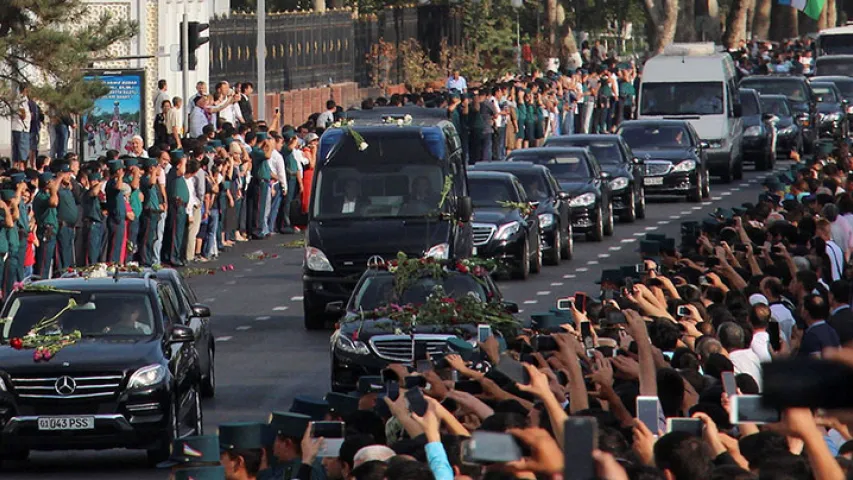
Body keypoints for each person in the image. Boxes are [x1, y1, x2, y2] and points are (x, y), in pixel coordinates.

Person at [33, 171, 59, 278]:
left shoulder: (48, 194)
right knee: (43, 263)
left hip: (51, 231)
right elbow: (53, 203)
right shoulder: (41, 196)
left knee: (48, 262)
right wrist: (53, 190)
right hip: (45, 231)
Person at [55, 163, 78, 270]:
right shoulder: (57, 186)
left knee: (69, 254)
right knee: (63, 253)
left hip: (70, 226)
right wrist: (59, 178)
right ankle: (62, 273)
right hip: (62, 226)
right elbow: (53, 191)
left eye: (69, 173)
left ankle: (68, 271)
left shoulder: (67, 188)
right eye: (66, 173)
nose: (68, 176)